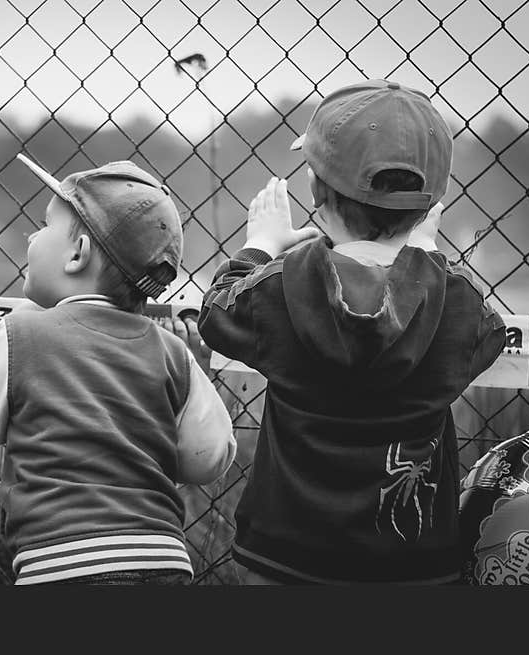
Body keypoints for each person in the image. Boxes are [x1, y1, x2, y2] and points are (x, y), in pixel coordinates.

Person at [198, 79, 506, 584]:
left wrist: (260, 245)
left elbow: (217, 314)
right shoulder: (456, 303)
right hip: (413, 567)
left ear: (318, 190)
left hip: (282, 559)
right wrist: (426, 257)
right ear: (431, 205)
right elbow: (487, 337)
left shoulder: (281, 286)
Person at [0, 157, 236, 584]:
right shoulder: (173, 352)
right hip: (162, 557)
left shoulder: (23, 332)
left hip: (60, 562)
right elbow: (207, 459)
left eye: (44, 225)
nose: (33, 235)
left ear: (78, 254)